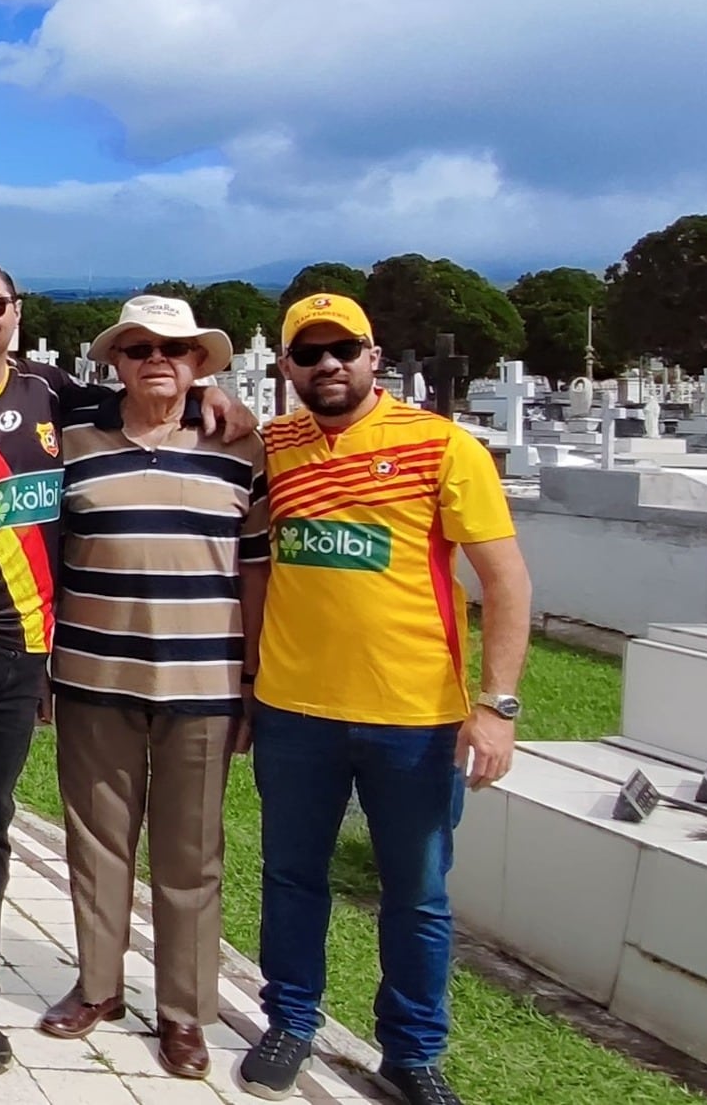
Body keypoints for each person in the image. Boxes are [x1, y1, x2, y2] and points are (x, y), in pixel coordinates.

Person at [0, 260, 251, 1075]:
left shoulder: (55, 394)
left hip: (24, 650)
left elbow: (151, 397)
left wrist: (215, 395)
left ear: (14, 312)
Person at [237, 292, 532, 1105]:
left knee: (417, 892)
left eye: (344, 349)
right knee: (292, 876)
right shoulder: (273, 446)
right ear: (287, 366)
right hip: (295, 710)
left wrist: (497, 705)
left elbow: (503, 581)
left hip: (417, 716)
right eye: (308, 353)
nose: (327, 365)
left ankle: (411, 1050)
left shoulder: (440, 446)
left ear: (374, 357)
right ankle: (290, 1020)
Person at [34, 296, 269, 1080]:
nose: (155, 359)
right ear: (116, 363)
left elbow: (257, 568)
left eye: (173, 348)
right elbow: (43, 553)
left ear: (199, 361)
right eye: (137, 349)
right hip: (93, 673)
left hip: (203, 680)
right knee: (96, 840)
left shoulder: (241, 448)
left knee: (189, 851)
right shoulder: (74, 443)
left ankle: (182, 1011)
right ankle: (98, 986)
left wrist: (251, 673)